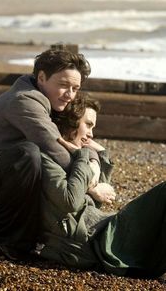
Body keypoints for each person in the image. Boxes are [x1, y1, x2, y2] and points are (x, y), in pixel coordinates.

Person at [0, 49, 91, 260]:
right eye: (64, 85)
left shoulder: (39, 98)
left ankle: (31, 241)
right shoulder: (25, 101)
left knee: (36, 159)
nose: (70, 94)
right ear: (41, 77)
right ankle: (4, 245)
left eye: (75, 88)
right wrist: (90, 173)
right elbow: (59, 154)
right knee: (27, 155)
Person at [37, 93, 166, 281]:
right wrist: (83, 156)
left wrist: (100, 156)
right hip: (97, 241)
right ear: (71, 122)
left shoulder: (71, 158)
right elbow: (71, 201)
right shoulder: (48, 159)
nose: (91, 133)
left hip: (104, 230)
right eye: (88, 124)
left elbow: (100, 199)